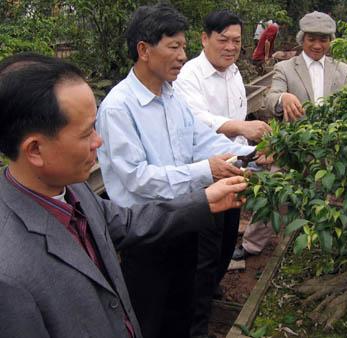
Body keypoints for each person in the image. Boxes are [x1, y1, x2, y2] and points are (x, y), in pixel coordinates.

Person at [0, 53, 248, 338]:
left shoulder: (71, 189)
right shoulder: (9, 275)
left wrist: (205, 201)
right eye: (85, 134)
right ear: (34, 150)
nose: (99, 140)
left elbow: (126, 222)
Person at [95, 4, 258, 338]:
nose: (184, 55)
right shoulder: (118, 108)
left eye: (184, 47)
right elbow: (136, 180)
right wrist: (205, 172)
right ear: (144, 50)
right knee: (150, 317)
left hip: (185, 220)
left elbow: (202, 142)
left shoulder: (172, 97)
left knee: (183, 309)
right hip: (147, 234)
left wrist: (251, 154)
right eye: (174, 46)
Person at [173, 9, 272, 334]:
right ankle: (196, 322)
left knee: (229, 236)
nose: (230, 47)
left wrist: (255, 154)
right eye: (223, 40)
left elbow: (241, 130)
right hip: (205, 174)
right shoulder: (190, 75)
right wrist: (241, 128)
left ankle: (211, 288)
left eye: (237, 41)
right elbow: (195, 119)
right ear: (205, 39)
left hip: (234, 168)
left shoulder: (233, 74)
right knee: (205, 247)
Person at [265, 11, 347, 122]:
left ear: (331, 41)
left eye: (323, 40)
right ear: (302, 40)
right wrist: (283, 98)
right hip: (297, 137)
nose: (317, 45)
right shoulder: (284, 68)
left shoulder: (343, 70)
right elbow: (270, 99)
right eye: (311, 39)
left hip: (333, 137)